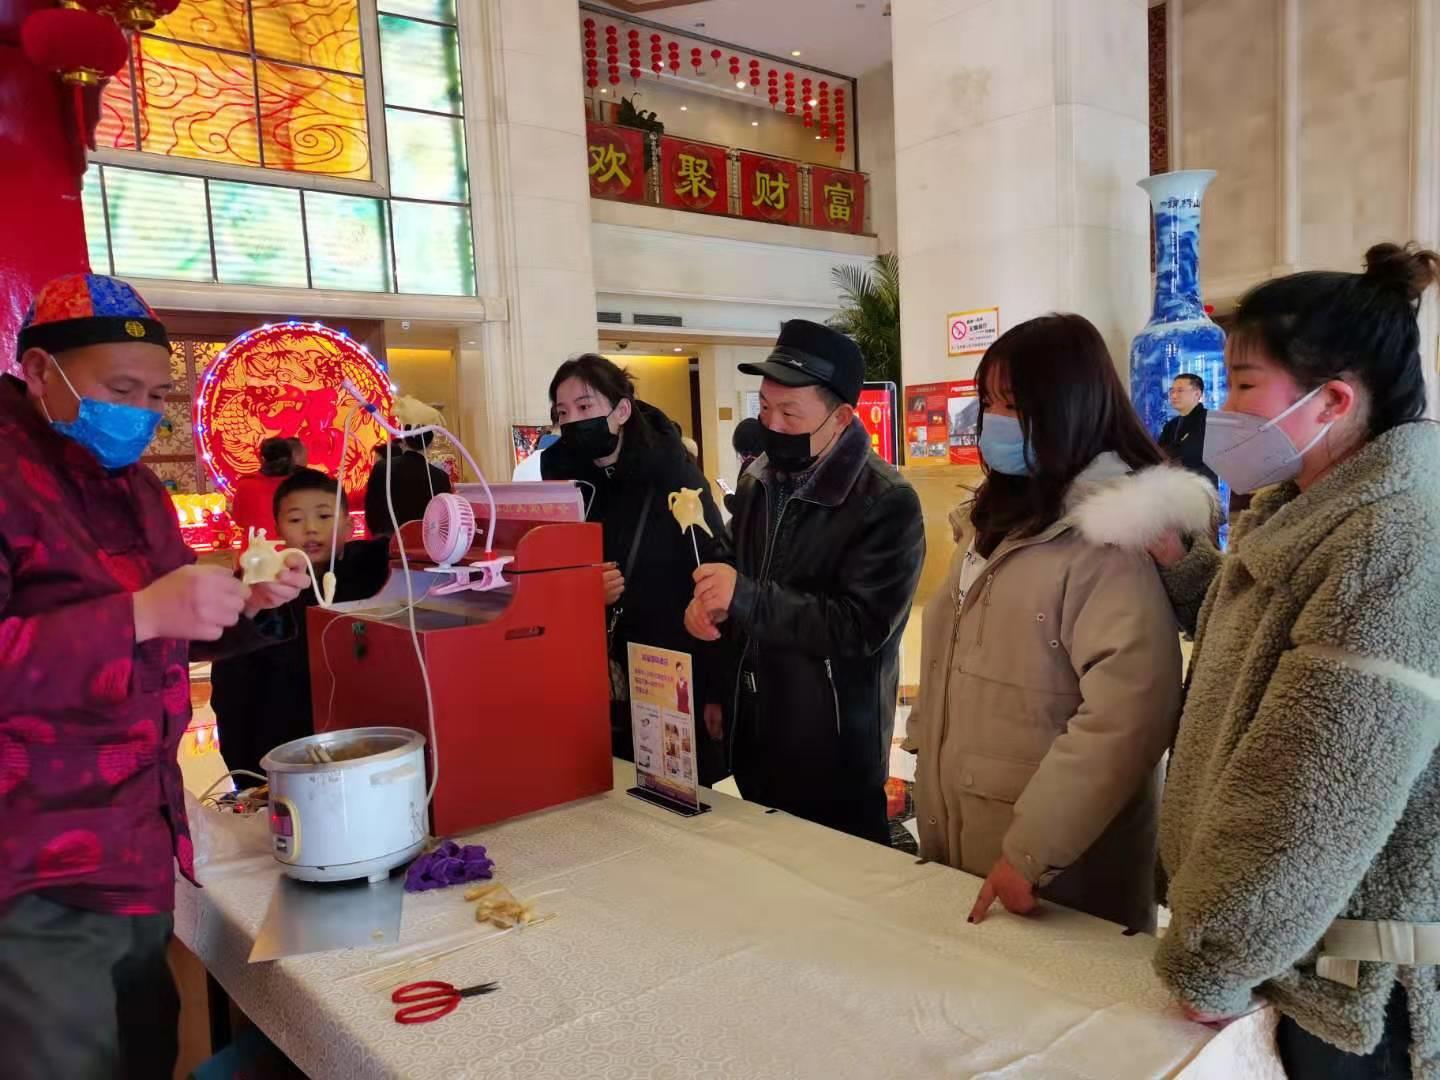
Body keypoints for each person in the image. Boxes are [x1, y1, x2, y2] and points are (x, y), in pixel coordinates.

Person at [0, 274, 308, 1079]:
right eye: (119, 390)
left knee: (147, 1045)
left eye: (155, 394)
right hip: (32, 860)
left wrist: (245, 601)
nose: (140, 412)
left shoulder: (136, 489)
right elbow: (140, 620)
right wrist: (136, 614)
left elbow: (168, 631)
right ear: (40, 371)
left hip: (137, 837)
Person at [1149, 243, 1440, 1078]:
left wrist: (1216, 957)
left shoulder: (1394, 533)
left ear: (1332, 401)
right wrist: (1184, 564)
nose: (1226, 409)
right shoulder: (1308, 504)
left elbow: (1314, 781)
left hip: (1350, 978)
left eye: (1245, 385)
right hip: (1284, 942)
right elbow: (1255, 639)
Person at [907, 314, 1213, 932]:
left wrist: (1032, 852)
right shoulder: (990, 517)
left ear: (1067, 407)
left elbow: (1126, 717)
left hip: (1055, 870)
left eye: (1013, 404)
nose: (994, 419)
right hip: (966, 832)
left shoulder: (1111, 538)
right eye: (987, 401)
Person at [685, 320, 924, 844]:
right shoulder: (758, 479)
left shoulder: (885, 502)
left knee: (841, 876)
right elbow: (733, 562)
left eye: (790, 413)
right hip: (757, 732)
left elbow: (860, 627)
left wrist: (745, 597)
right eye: (764, 408)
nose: (772, 424)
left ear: (841, 417)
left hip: (833, 747)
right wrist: (708, 605)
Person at [540, 354, 732, 784]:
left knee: (672, 788)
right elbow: (547, 576)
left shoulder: (675, 478)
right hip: (593, 675)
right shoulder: (563, 486)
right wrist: (582, 590)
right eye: (562, 413)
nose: (573, 421)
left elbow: (712, 575)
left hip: (670, 669)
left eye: (585, 406)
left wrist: (716, 689)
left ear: (622, 410)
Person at [211, 468, 392, 777]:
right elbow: (233, 687)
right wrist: (244, 769)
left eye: (324, 516)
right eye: (296, 520)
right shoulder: (262, 590)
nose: (311, 529)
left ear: (349, 526)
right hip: (284, 745)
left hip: (361, 745)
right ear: (278, 528)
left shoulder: (373, 570)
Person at [364, 427, 451, 536]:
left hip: (387, 541)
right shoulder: (441, 477)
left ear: (404, 441)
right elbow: (443, 519)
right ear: (430, 445)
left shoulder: (382, 468)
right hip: (424, 541)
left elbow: (371, 511)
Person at [230, 436, 306, 543]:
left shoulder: (245, 485)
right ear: (291, 459)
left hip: (254, 550)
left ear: (261, 459)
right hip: (291, 549)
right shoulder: (302, 485)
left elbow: (239, 521)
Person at [1157, 374, 1219, 488]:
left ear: (1197, 394)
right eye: (1172, 391)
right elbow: (1160, 454)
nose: (1174, 395)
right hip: (1173, 487)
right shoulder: (1171, 425)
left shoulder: (1211, 421)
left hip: (1202, 487)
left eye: (1180, 391)